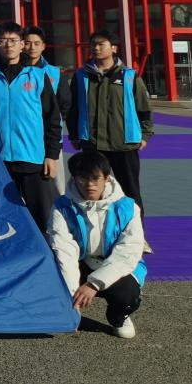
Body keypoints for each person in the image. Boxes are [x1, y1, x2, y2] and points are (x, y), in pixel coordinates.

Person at [0, 21, 62, 230]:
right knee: (1, 217)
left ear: (22, 44)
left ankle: (45, 250)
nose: (8, 45)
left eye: (13, 40)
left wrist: (51, 155)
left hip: (32, 158)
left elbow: (52, 119)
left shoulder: (38, 76)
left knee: (41, 217)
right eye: (3, 40)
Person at [68, 30, 155, 253]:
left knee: (130, 192)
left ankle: (138, 237)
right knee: (91, 191)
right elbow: (73, 108)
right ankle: (91, 238)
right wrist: (74, 134)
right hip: (93, 144)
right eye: (93, 45)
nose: (96, 48)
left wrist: (145, 135)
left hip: (123, 144)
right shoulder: (81, 76)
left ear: (113, 48)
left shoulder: (129, 76)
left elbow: (143, 108)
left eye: (101, 44)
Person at [47, 151, 146, 339]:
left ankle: (119, 317)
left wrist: (93, 284)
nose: (89, 184)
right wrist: (72, 301)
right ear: (74, 178)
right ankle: (64, 310)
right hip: (80, 262)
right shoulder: (61, 207)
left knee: (126, 296)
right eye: (83, 178)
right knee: (50, 277)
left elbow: (127, 252)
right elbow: (64, 251)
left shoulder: (128, 208)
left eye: (95, 178)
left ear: (106, 178)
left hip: (115, 263)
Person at [24, 26, 72, 195]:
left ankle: (60, 210)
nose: (32, 47)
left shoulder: (54, 73)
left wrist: (52, 123)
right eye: (28, 43)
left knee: (56, 183)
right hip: (24, 135)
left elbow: (65, 104)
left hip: (49, 136)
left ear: (43, 46)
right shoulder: (15, 71)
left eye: (37, 43)